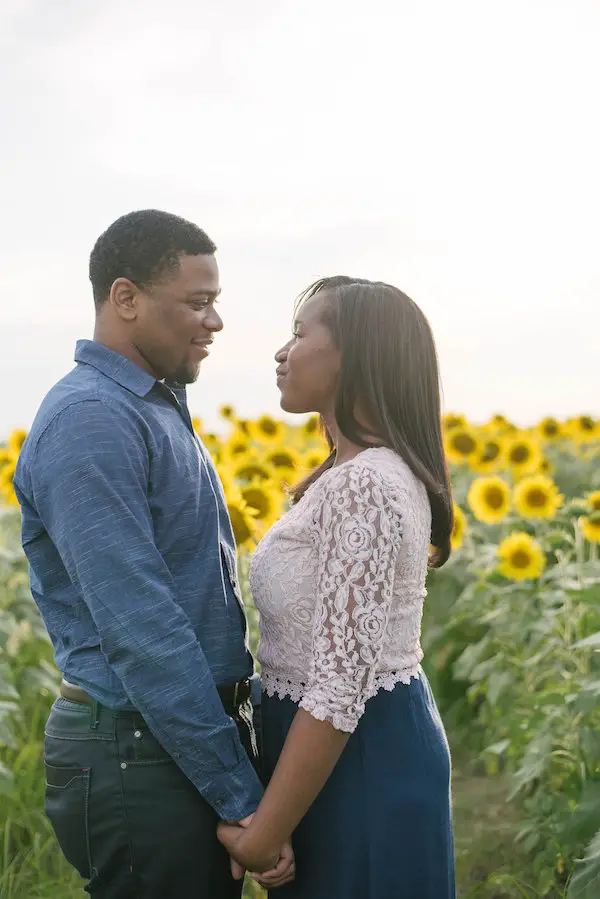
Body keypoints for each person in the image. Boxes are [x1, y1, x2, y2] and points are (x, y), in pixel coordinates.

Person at [13, 210, 293, 898]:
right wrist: (243, 799)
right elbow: (142, 631)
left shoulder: (150, 405)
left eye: (216, 302)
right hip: (135, 751)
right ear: (126, 298)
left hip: (168, 741)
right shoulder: (92, 419)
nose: (216, 321)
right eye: (198, 303)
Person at [218, 276, 456, 898]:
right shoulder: (350, 474)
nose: (282, 353)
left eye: (300, 334)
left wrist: (262, 834)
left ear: (359, 357)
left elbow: (339, 688)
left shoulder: (365, 485)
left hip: (357, 758)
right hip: (332, 758)